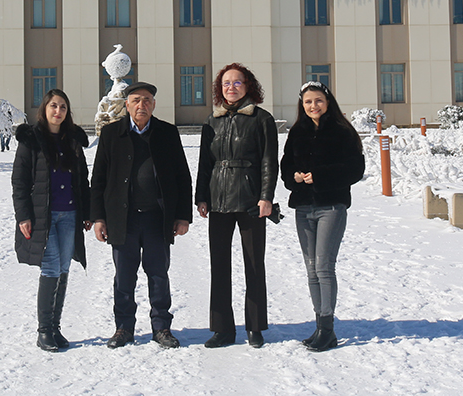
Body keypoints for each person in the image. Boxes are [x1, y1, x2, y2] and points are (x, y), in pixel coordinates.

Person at [90, 81, 193, 349]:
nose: (141, 105)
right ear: (127, 104)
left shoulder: (167, 133)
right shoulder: (112, 134)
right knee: (124, 277)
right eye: (136, 100)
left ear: (154, 104)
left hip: (157, 218)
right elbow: (98, 178)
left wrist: (183, 215)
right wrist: (99, 218)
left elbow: (183, 175)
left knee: (158, 275)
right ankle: (124, 327)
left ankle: (161, 327)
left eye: (147, 100)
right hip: (123, 219)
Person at [195, 63, 278, 348]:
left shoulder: (261, 119)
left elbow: (269, 162)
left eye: (237, 82)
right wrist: (201, 196)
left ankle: (254, 327)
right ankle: (222, 329)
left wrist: (266, 197)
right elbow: (205, 164)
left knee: (254, 264)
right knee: (219, 265)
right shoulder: (212, 121)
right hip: (218, 200)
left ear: (248, 86)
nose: (231, 88)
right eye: (226, 83)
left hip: (251, 200)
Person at [280, 81, 366, 352]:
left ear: (328, 102)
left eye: (318, 100)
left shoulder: (342, 132)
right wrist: (294, 176)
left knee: (324, 266)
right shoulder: (297, 132)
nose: (313, 106)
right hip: (304, 207)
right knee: (310, 269)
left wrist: (321, 176)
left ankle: (328, 329)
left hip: (331, 206)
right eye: (308, 102)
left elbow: (355, 168)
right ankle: (319, 325)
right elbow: (286, 166)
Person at [11, 89, 92, 351]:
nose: (58, 112)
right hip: (42, 217)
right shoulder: (31, 140)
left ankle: (56, 327)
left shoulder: (72, 141)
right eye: (53, 106)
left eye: (63, 108)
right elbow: (19, 181)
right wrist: (23, 216)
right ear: (45, 109)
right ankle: (44, 330)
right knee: (51, 269)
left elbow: (83, 180)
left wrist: (88, 212)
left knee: (64, 269)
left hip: (70, 215)